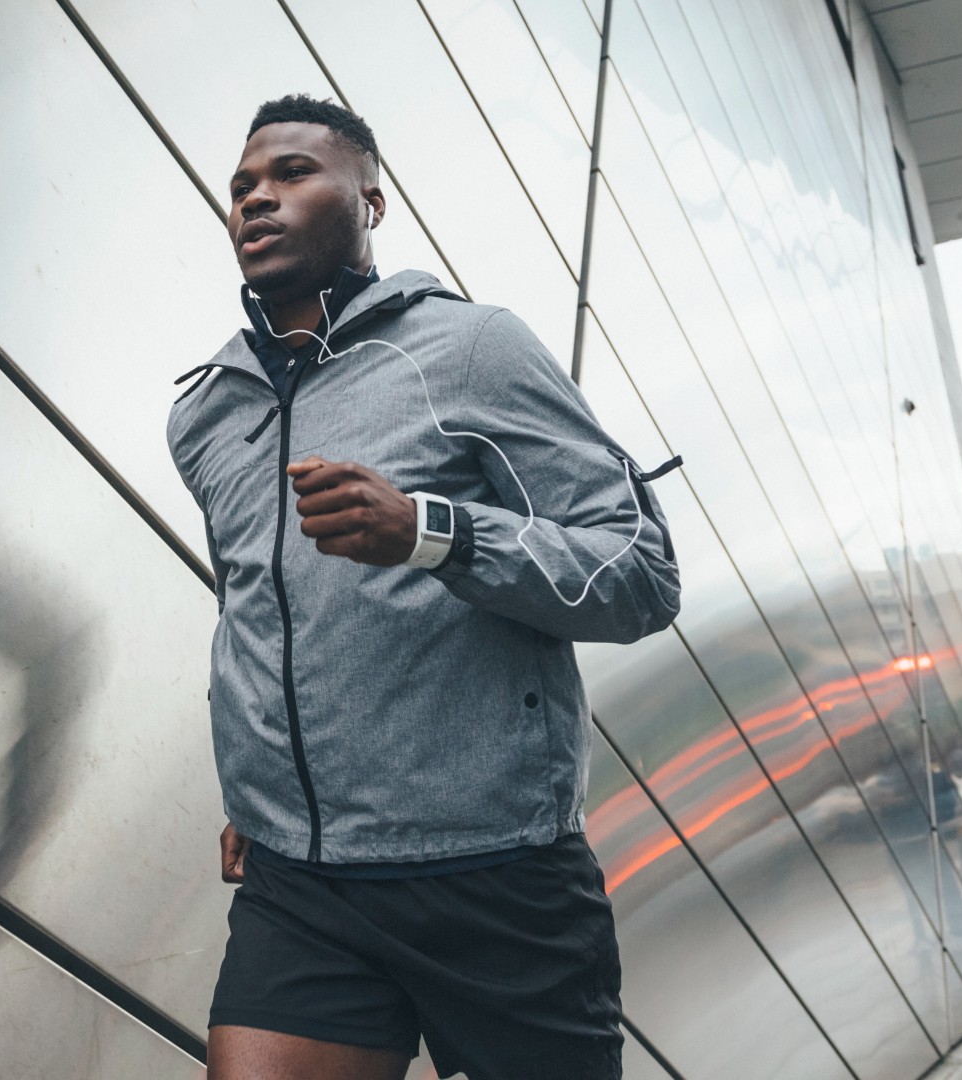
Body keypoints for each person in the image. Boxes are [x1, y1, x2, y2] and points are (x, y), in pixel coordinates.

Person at [167, 94, 683, 1080]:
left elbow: (638, 575)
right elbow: (256, 610)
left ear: (372, 200)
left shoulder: (472, 350)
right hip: (302, 886)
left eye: (293, 173)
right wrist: (260, 784)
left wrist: (432, 531)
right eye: (242, 186)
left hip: (495, 877)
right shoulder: (207, 413)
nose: (258, 198)